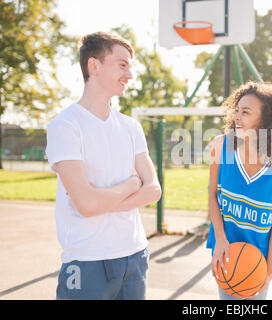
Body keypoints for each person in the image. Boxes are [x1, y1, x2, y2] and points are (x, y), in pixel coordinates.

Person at [45, 32, 161, 300]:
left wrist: (100, 203)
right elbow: (86, 204)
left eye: (130, 66)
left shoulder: (131, 127)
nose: (130, 75)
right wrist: (131, 186)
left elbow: (153, 191)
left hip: (134, 256)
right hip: (87, 262)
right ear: (94, 66)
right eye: (122, 65)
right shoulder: (65, 126)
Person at [206, 81, 272, 300]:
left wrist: (271, 268)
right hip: (227, 252)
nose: (237, 116)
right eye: (237, 111)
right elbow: (212, 196)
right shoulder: (221, 146)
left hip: (259, 258)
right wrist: (220, 240)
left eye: (246, 112)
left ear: (267, 120)